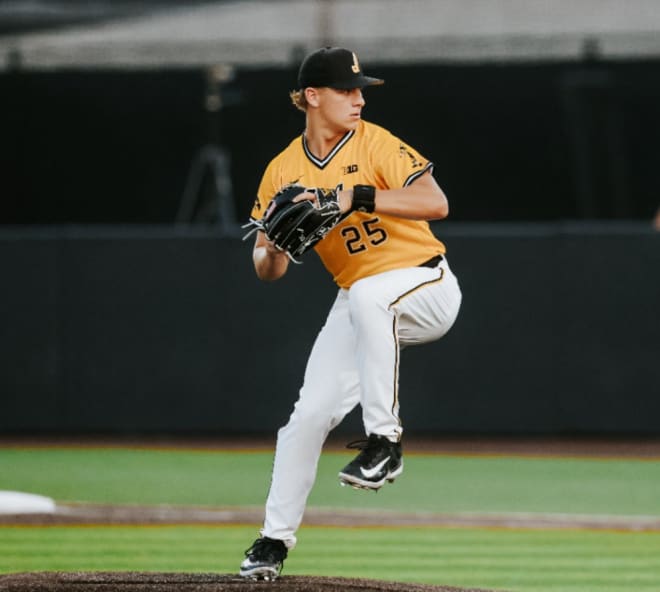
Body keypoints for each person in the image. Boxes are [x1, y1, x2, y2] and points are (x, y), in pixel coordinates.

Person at [239, 47, 462, 579]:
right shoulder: (282, 170)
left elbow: (436, 202)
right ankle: (272, 542)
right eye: (348, 89)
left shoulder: (375, 142)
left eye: (361, 90)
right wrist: (271, 248)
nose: (360, 99)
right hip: (361, 299)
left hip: (424, 282)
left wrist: (359, 195)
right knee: (308, 416)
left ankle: (385, 441)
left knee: (369, 296)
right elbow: (266, 269)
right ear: (313, 96)